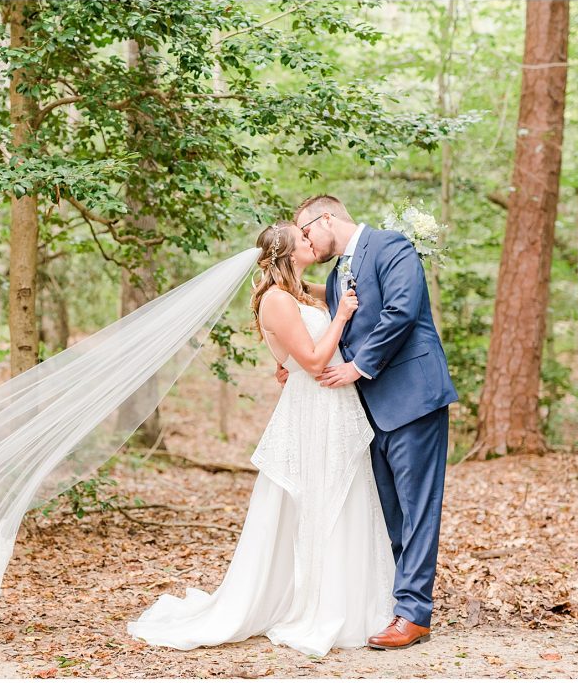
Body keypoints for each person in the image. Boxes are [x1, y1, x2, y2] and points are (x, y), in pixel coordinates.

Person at [126, 223, 396, 657]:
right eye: (303, 240)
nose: (311, 241)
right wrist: (341, 316)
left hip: (334, 404)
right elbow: (309, 360)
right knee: (315, 500)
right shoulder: (275, 300)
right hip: (313, 406)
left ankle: (355, 601)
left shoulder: (303, 291)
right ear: (287, 254)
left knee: (345, 495)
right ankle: (314, 604)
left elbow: (341, 307)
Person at [286, 194, 458, 649]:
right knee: (389, 511)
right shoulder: (335, 273)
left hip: (412, 397)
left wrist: (357, 367)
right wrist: (292, 355)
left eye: (305, 231)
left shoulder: (390, 245)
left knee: (418, 508)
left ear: (326, 218)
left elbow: (400, 311)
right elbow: (332, 321)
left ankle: (414, 613)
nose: (305, 241)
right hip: (367, 409)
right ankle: (397, 601)